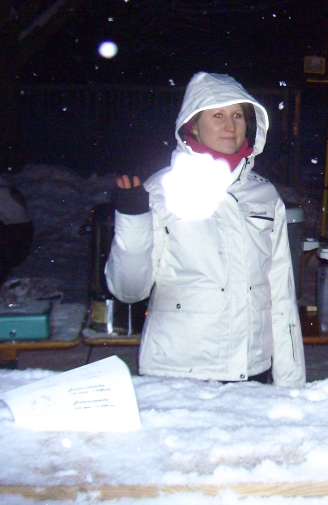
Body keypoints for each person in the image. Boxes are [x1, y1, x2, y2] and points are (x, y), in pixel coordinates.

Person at [105, 72, 305, 387]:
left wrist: (290, 383)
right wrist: (133, 220)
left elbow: (281, 296)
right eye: (218, 115)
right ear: (193, 126)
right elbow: (129, 290)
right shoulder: (161, 190)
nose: (230, 125)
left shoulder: (264, 195)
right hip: (180, 372)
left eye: (238, 115)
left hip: (252, 370)